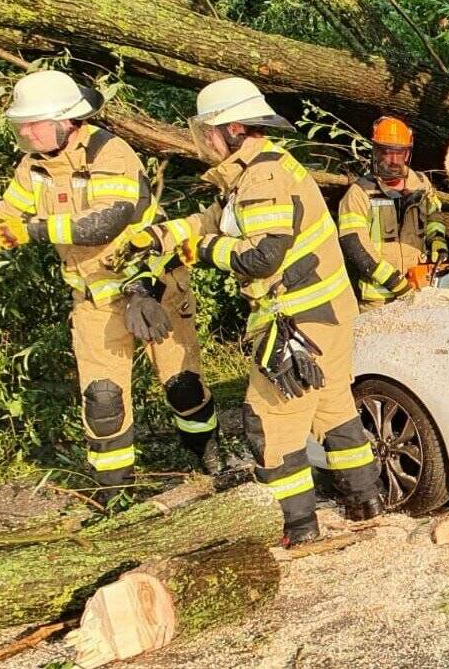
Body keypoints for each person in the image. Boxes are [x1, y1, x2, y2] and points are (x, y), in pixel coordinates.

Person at [0, 71, 218, 501]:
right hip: (94, 299)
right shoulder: (34, 166)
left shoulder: (109, 152)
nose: (26, 133)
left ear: (67, 120)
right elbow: (7, 216)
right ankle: (116, 493)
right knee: (102, 400)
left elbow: (104, 222)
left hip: (153, 288)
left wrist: (31, 231)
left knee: (182, 385)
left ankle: (210, 458)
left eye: (34, 124)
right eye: (22, 125)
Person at [122, 76, 382, 544]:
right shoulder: (251, 173)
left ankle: (297, 528)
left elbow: (262, 257)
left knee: (269, 424)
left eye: (207, 131)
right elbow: (212, 221)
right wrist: (159, 236)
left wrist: (199, 251)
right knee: (333, 410)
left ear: (233, 129)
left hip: (299, 321)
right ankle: (365, 503)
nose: (204, 140)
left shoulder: (262, 178)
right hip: (323, 313)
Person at [337, 116, 448, 308]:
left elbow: (434, 214)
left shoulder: (421, 184)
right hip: (379, 298)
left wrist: (437, 239)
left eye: (399, 153)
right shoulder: (360, 193)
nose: (394, 160)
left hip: (420, 288)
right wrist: (395, 283)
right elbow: (355, 245)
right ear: (376, 152)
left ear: (407, 153)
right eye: (387, 153)